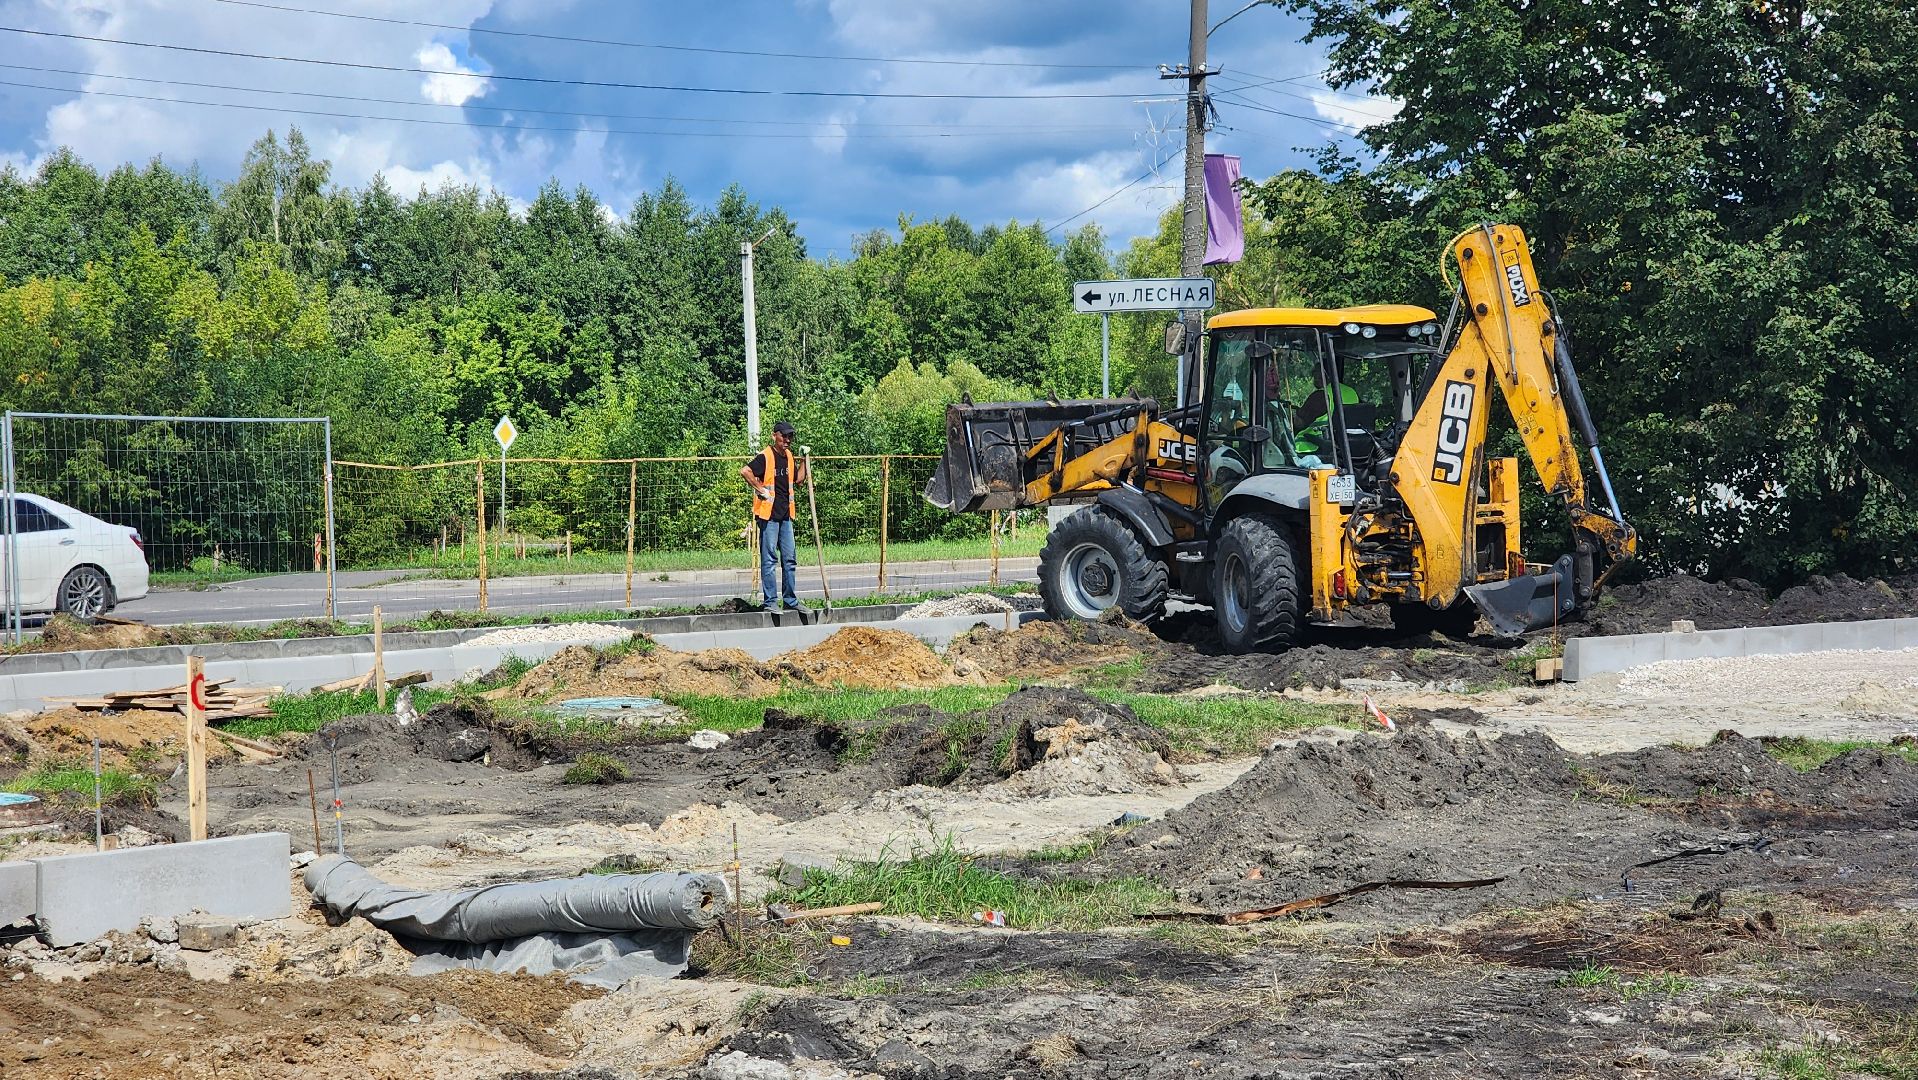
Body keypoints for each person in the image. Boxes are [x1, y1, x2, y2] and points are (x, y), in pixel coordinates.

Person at [740, 420, 808, 612]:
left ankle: (790, 601)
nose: (787, 440)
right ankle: (770, 602)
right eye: (784, 436)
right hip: (768, 516)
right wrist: (760, 489)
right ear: (774, 436)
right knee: (769, 559)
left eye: (790, 436)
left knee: (789, 558)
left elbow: (798, 480)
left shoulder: (789, 456)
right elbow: (745, 471)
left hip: (786, 515)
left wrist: (804, 460)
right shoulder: (765, 457)